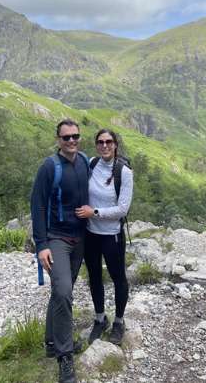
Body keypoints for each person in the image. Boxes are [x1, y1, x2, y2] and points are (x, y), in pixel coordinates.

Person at [30, 119, 90, 383]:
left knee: (60, 292)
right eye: (66, 137)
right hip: (57, 239)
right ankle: (65, 357)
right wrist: (41, 245)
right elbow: (38, 206)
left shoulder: (85, 161)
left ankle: (52, 342)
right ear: (58, 140)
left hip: (80, 237)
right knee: (65, 292)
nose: (71, 141)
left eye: (75, 136)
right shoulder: (49, 167)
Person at [75, 129, 133, 346]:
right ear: (96, 145)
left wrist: (95, 213)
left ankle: (119, 321)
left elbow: (123, 209)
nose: (105, 145)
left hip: (112, 236)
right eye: (100, 142)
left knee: (119, 278)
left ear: (115, 145)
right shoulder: (91, 164)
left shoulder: (124, 172)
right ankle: (100, 318)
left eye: (109, 141)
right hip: (91, 234)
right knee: (95, 277)